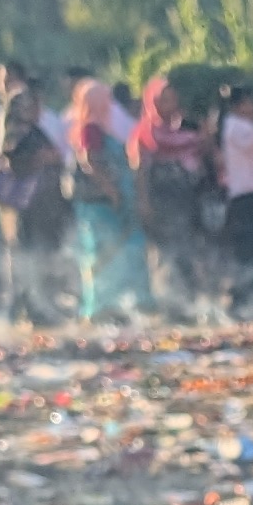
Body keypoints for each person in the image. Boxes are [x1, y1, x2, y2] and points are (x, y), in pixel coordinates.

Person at [0, 67, 68, 325]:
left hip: (39, 207)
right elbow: (15, 163)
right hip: (26, 210)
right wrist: (42, 159)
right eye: (31, 105)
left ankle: (36, 307)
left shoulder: (33, 130)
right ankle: (32, 309)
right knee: (29, 258)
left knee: (38, 257)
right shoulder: (17, 134)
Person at [63, 73, 142, 322]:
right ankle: (100, 306)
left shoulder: (96, 126)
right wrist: (112, 190)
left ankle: (107, 304)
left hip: (103, 201)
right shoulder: (90, 128)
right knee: (101, 252)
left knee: (108, 251)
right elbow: (90, 161)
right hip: (98, 203)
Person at [128, 74, 208, 317]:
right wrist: (143, 201)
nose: (169, 106)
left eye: (173, 100)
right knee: (166, 254)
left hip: (185, 200)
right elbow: (140, 170)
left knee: (187, 253)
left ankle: (189, 305)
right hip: (161, 201)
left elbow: (200, 154)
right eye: (163, 100)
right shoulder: (145, 133)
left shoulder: (185, 132)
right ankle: (169, 305)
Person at [214, 82, 253, 315]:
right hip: (244, 197)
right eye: (250, 101)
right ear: (240, 105)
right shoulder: (235, 127)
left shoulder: (246, 127)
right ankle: (240, 301)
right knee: (247, 250)